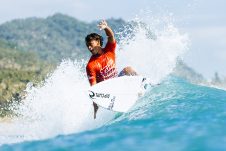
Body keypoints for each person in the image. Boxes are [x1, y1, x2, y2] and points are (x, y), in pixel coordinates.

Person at [85, 20, 137, 119]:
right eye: (88, 46)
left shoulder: (109, 50)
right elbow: (94, 88)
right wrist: (95, 108)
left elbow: (111, 37)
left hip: (118, 80)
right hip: (108, 91)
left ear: (98, 42)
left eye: (91, 44)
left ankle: (142, 84)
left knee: (128, 69)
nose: (90, 48)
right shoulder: (91, 65)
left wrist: (106, 28)